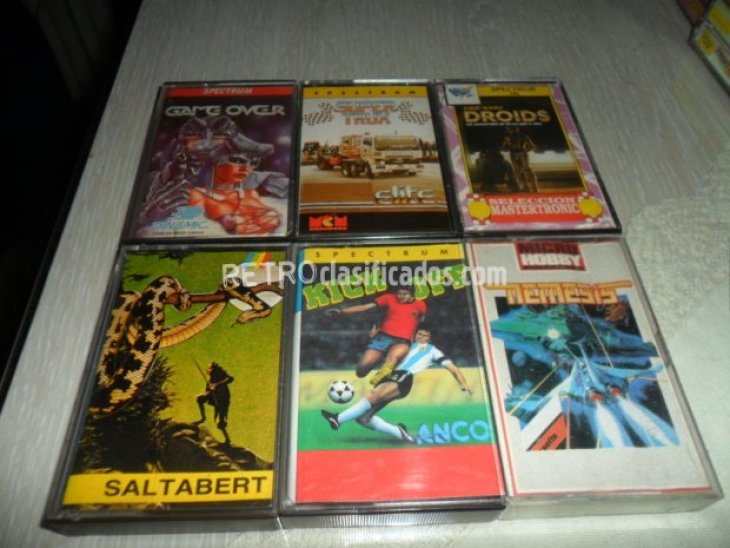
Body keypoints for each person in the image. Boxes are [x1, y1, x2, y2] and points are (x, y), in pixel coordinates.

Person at [321, 328, 472, 443]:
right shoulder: (405, 345)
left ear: (430, 338)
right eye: (419, 334)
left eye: (425, 335)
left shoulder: (432, 350)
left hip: (404, 376)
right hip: (390, 375)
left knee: (372, 396)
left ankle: (338, 419)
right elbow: (387, 355)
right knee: (363, 418)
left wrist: (463, 383)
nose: (421, 337)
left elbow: (452, 367)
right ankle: (401, 434)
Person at [326, 285, 426, 385]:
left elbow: (421, 323)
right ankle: (378, 361)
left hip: (402, 341)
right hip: (383, 338)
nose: (401, 296)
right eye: (399, 293)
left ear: (412, 295)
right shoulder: (388, 298)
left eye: (405, 294)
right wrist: (341, 311)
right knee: (361, 371)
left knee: (392, 358)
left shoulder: (420, 305)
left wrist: (416, 339)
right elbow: (365, 307)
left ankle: (378, 380)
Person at [195, 362, 234, 444]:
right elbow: (207, 391)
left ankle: (227, 438)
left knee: (221, 421)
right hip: (213, 398)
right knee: (200, 398)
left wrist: (217, 385)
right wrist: (209, 390)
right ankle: (203, 418)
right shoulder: (210, 381)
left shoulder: (222, 376)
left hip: (223, 399)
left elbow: (230, 378)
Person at [501, 126, 537, 192]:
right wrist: (509, 147)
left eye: (512, 129)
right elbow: (503, 147)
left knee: (526, 170)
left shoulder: (524, 137)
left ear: (517, 129)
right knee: (518, 172)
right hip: (514, 155)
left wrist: (525, 150)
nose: (510, 131)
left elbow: (533, 146)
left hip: (521, 154)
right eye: (509, 130)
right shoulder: (508, 138)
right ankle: (526, 187)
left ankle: (534, 188)